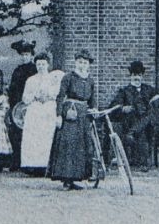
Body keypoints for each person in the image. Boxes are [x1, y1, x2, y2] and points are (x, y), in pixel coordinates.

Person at [48, 51, 97, 189]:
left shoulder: (90, 80)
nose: (82, 65)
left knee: (83, 146)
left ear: (89, 65)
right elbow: (60, 96)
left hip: (84, 115)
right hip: (71, 113)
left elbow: (93, 99)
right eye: (80, 62)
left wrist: (94, 109)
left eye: (85, 62)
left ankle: (78, 177)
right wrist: (58, 115)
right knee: (69, 145)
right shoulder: (68, 77)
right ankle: (66, 179)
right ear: (75, 62)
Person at [19, 52, 61, 175]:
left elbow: (57, 94)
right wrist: (34, 95)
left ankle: (46, 166)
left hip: (48, 109)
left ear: (48, 65)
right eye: (38, 64)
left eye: (43, 64)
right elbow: (25, 98)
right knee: (34, 138)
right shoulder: (31, 80)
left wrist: (48, 95)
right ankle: (32, 166)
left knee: (46, 137)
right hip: (35, 109)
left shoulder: (54, 79)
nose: (41, 66)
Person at [110, 60, 155, 166]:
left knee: (149, 116)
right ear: (130, 76)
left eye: (139, 75)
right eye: (134, 75)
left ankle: (133, 134)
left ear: (142, 76)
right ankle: (142, 161)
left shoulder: (149, 89)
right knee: (142, 127)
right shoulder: (124, 91)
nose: (137, 77)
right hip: (130, 121)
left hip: (146, 125)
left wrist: (154, 101)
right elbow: (114, 106)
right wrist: (123, 108)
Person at [6, 39, 37, 170]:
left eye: (27, 55)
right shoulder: (17, 70)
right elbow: (12, 88)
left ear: (31, 56)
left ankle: (28, 163)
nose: (25, 57)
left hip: (30, 104)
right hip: (17, 104)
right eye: (23, 55)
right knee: (16, 133)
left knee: (29, 133)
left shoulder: (35, 70)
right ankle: (15, 161)